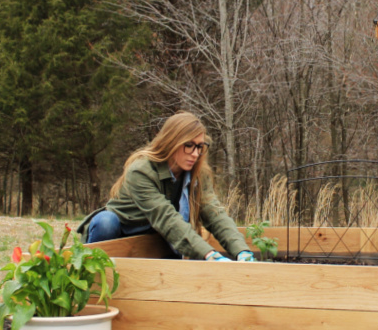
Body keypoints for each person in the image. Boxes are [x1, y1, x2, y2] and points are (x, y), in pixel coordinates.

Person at [77, 112, 254, 262]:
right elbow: (165, 217)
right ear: (172, 142)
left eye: (199, 147)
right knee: (106, 222)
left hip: (158, 235)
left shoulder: (197, 173)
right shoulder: (141, 171)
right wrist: (209, 255)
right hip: (126, 230)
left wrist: (242, 251)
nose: (195, 153)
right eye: (189, 146)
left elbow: (215, 214)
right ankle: (90, 276)